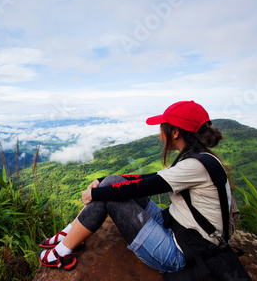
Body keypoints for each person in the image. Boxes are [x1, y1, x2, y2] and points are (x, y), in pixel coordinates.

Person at [39, 100, 231, 272]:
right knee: (113, 182)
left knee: (110, 196)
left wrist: (95, 194)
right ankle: (70, 234)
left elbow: (143, 187)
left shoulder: (194, 166)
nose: (159, 132)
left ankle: (62, 251)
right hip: (177, 227)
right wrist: (103, 179)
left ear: (175, 132)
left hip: (182, 252)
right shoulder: (197, 159)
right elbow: (148, 178)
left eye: (162, 127)